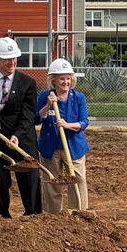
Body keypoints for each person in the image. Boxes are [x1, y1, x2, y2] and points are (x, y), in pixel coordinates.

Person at [0, 36, 41, 218]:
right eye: (6, 59)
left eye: (14, 58)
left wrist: (17, 135)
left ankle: (33, 214)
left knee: (29, 179)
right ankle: (1, 216)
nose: (12, 62)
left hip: (22, 139)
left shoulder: (27, 83)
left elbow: (28, 115)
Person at [36, 59, 90, 212]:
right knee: (52, 182)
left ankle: (79, 212)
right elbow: (36, 119)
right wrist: (47, 106)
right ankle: (53, 216)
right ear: (53, 80)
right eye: (61, 78)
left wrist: (67, 125)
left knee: (78, 179)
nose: (65, 82)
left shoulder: (78, 97)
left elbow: (84, 122)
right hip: (50, 147)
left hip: (74, 147)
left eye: (68, 78)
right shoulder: (45, 96)